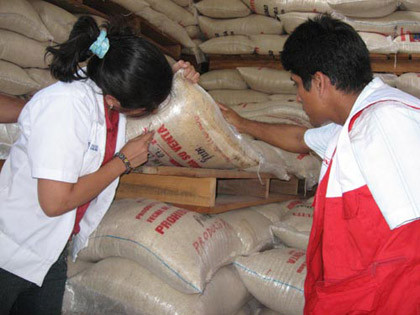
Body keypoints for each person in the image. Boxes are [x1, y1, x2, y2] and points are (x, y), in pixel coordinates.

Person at [219, 14, 420, 315]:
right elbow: (301, 138)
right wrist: (242, 123)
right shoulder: (353, 125)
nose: (298, 97)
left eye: (299, 85)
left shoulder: (386, 121)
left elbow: (411, 247)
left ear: (321, 82)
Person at [0, 16, 199, 314]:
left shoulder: (107, 93)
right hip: (10, 252)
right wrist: (122, 162)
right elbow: (54, 203)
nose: (151, 111)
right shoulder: (65, 107)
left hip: (48, 251)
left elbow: (146, 99)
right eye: (147, 106)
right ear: (114, 99)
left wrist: (176, 80)